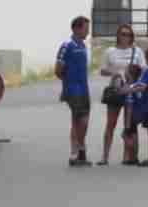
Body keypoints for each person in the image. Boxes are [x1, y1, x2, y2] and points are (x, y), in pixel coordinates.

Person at [98, 24, 144, 166]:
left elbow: (143, 69)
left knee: (128, 125)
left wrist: (135, 75)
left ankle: (126, 156)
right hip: (116, 90)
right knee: (110, 124)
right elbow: (102, 71)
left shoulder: (137, 51)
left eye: (129, 34)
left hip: (131, 90)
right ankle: (105, 156)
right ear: (117, 35)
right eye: (123, 34)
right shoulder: (110, 51)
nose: (126, 37)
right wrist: (115, 73)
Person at [56, 15, 92, 167]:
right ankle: (75, 154)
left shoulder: (83, 46)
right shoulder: (67, 45)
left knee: (83, 121)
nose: (88, 32)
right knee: (77, 121)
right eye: (86, 28)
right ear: (77, 28)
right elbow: (58, 69)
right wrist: (68, 82)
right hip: (73, 89)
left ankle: (80, 150)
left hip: (84, 88)